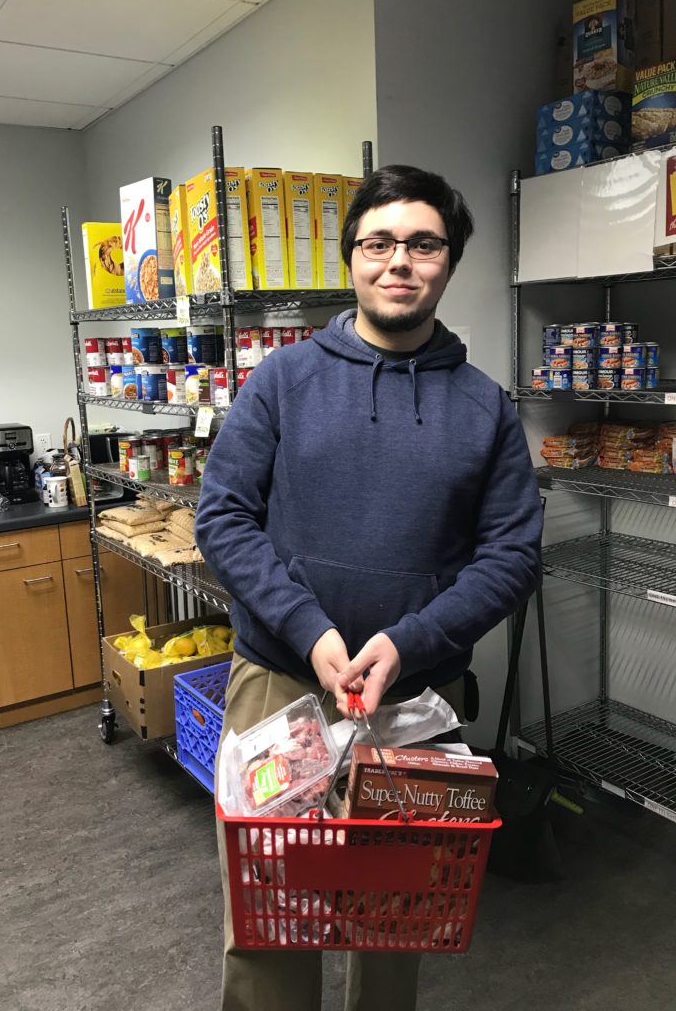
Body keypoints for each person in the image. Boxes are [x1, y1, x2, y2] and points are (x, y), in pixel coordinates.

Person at [195, 163, 543, 1011]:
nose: (399, 262)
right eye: (378, 243)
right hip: (279, 686)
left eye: (423, 244)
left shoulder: (485, 407)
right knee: (272, 908)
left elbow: (512, 554)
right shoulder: (283, 380)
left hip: (414, 701)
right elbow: (224, 519)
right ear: (350, 258)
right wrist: (313, 633)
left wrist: (405, 643)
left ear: (448, 263)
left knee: (396, 915)